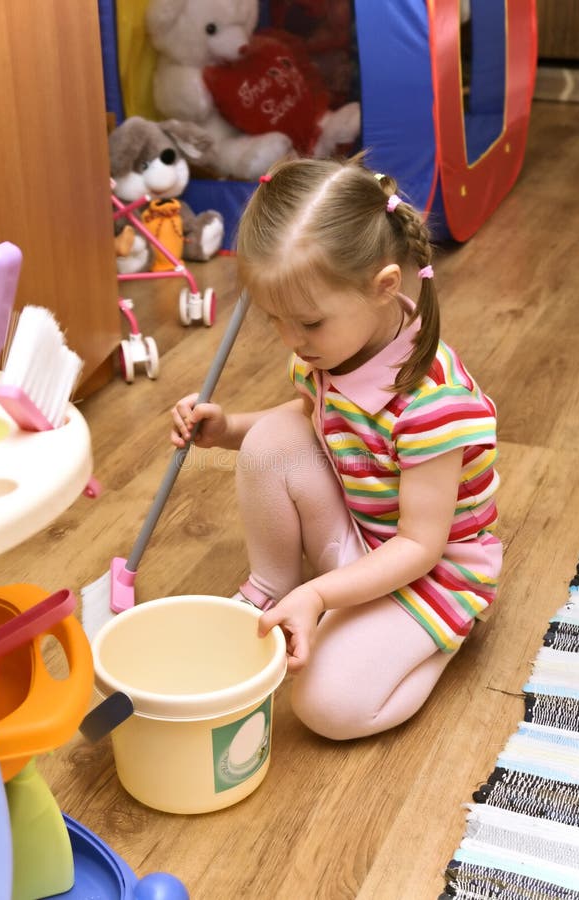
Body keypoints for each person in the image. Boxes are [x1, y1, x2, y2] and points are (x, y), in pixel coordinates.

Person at [170, 155, 502, 740]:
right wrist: (227, 430)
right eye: (275, 320)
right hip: (361, 537)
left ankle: (443, 640)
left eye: (307, 323)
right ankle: (273, 586)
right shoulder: (334, 343)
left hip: (429, 572)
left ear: (384, 288)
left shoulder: (435, 406)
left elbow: (421, 547)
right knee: (273, 437)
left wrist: (320, 594)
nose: (292, 340)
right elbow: (312, 419)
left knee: (325, 707)